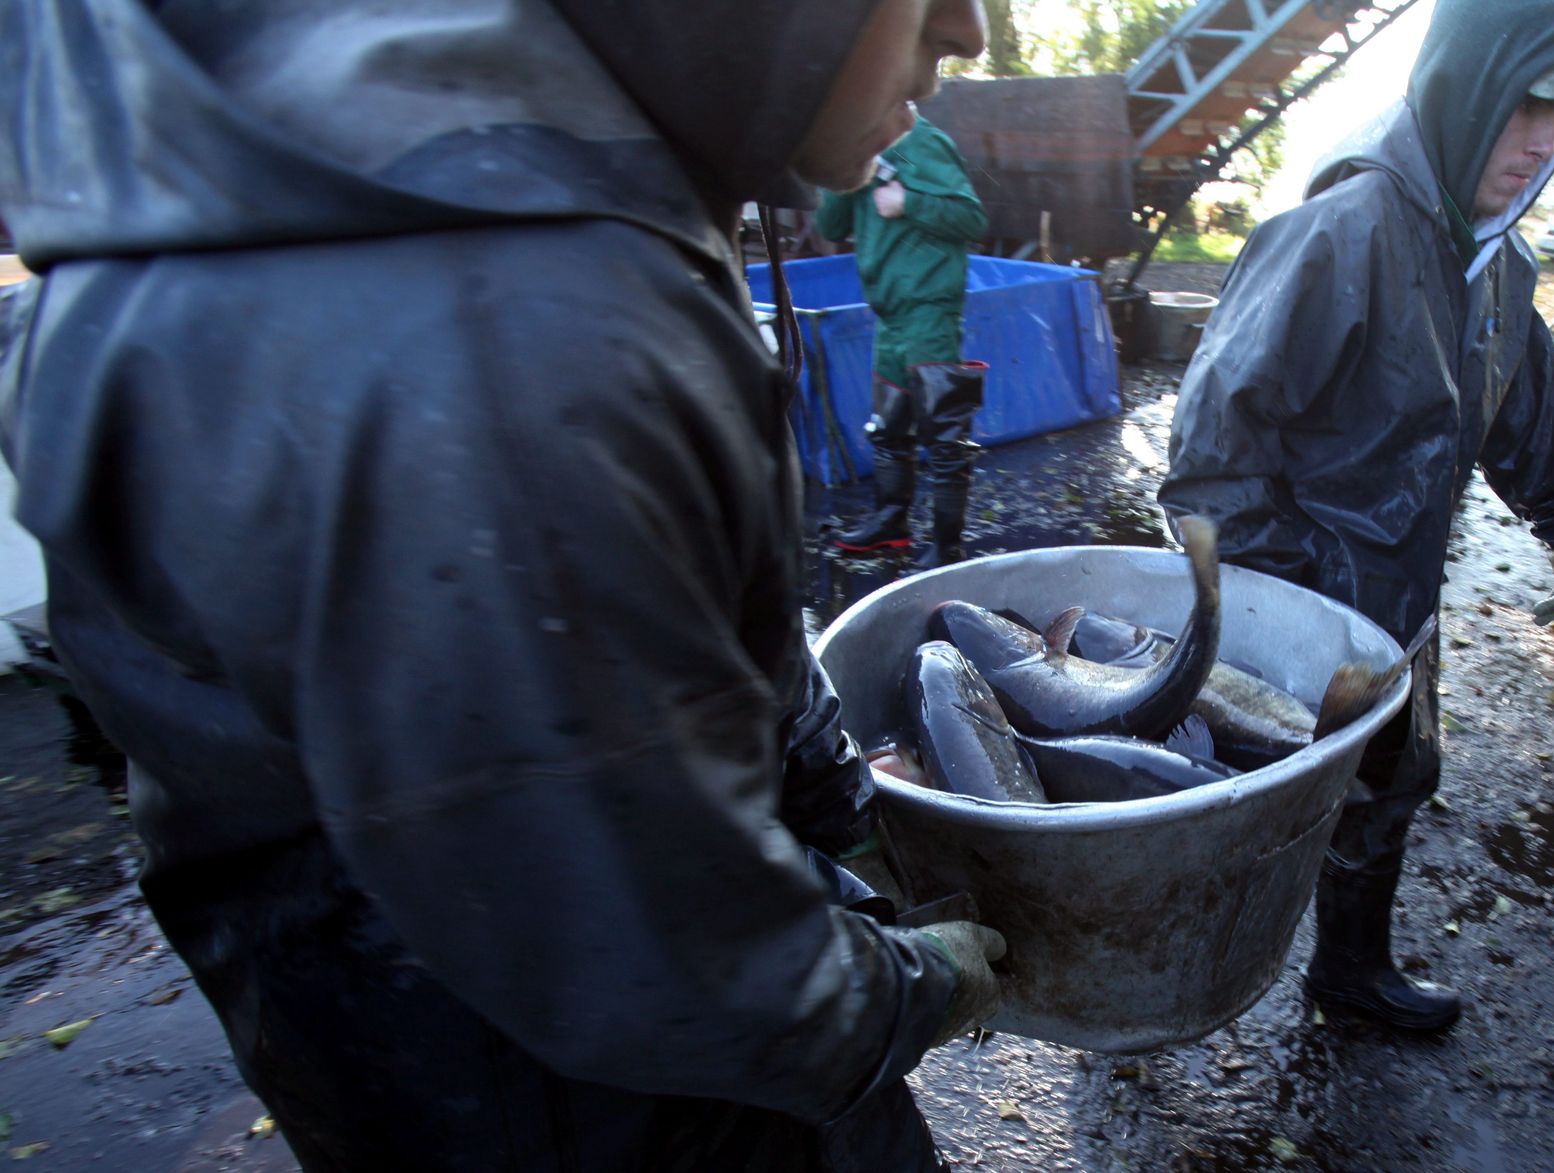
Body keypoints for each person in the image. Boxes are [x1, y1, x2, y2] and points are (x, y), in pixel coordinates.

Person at [0, 1, 1006, 1169]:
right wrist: (906, 991)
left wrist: (833, 792)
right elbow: (642, 954)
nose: (966, 32)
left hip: (433, 1049)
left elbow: (676, 622)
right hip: (573, 1106)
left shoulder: (527, 172)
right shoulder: (504, 317)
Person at [1159, 0, 1554, 1032]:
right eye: (1526, 109)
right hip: (1305, 609)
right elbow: (1211, 458)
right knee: (1240, 798)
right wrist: (1290, 610)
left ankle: (1349, 973)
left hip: (1399, 611)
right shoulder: (1343, 233)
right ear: (1467, 96)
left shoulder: (1497, 261)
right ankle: (1150, 984)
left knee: (1396, 777)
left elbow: (1517, 403)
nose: (1544, 141)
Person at [819, 115, 988, 568]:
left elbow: (971, 217)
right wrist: (844, 170)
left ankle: (946, 548)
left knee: (945, 430)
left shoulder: (924, 142)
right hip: (888, 312)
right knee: (890, 425)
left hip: (929, 307)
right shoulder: (859, 148)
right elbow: (832, 225)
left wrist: (907, 201)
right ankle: (892, 523)